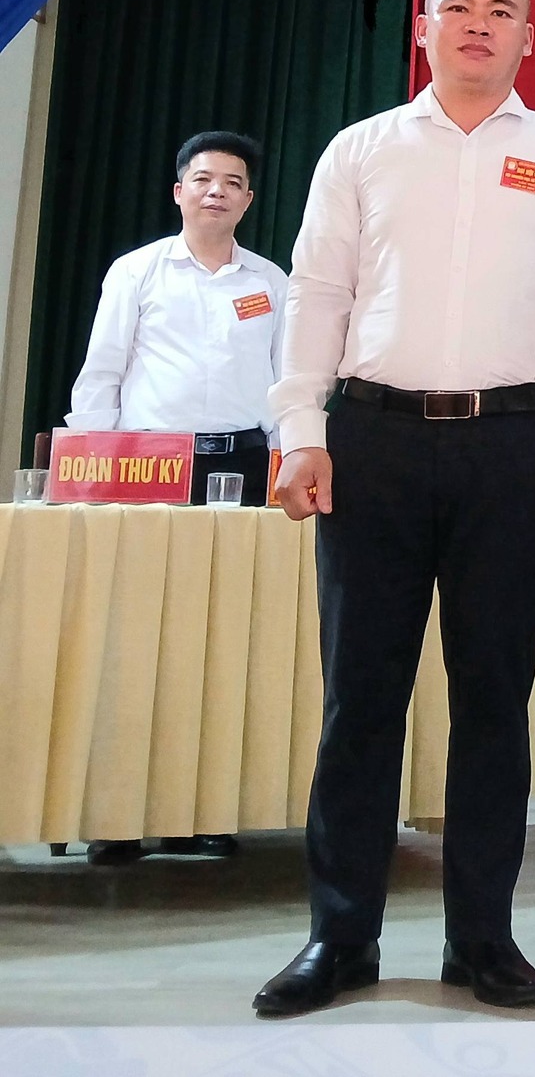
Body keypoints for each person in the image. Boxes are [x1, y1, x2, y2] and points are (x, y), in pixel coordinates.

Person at [252, 0, 535, 1018]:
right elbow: (317, 294)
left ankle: (483, 938)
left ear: (527, 37)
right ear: (424, 29)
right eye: (457, 7)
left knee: (493, 701)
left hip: (511, 447)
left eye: (501, 11)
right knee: (360, 699)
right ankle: (340, 937)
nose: (478, 23)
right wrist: (300, 429)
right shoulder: (361, 150)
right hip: (371, 442)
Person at [66, 130, 284, 865]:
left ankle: (204, 810)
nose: (217, 191)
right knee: (137, 639)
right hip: (148, 464)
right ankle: (118, 816)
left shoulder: (270, 283)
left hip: (243, 465)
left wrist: (289, 458)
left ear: (249, 200)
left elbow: (285, 383)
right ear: (179, 191)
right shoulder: (137, 272)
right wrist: (92, 469)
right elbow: (102, 374)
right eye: (204, 179)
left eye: (233, 182)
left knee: (220, 639)